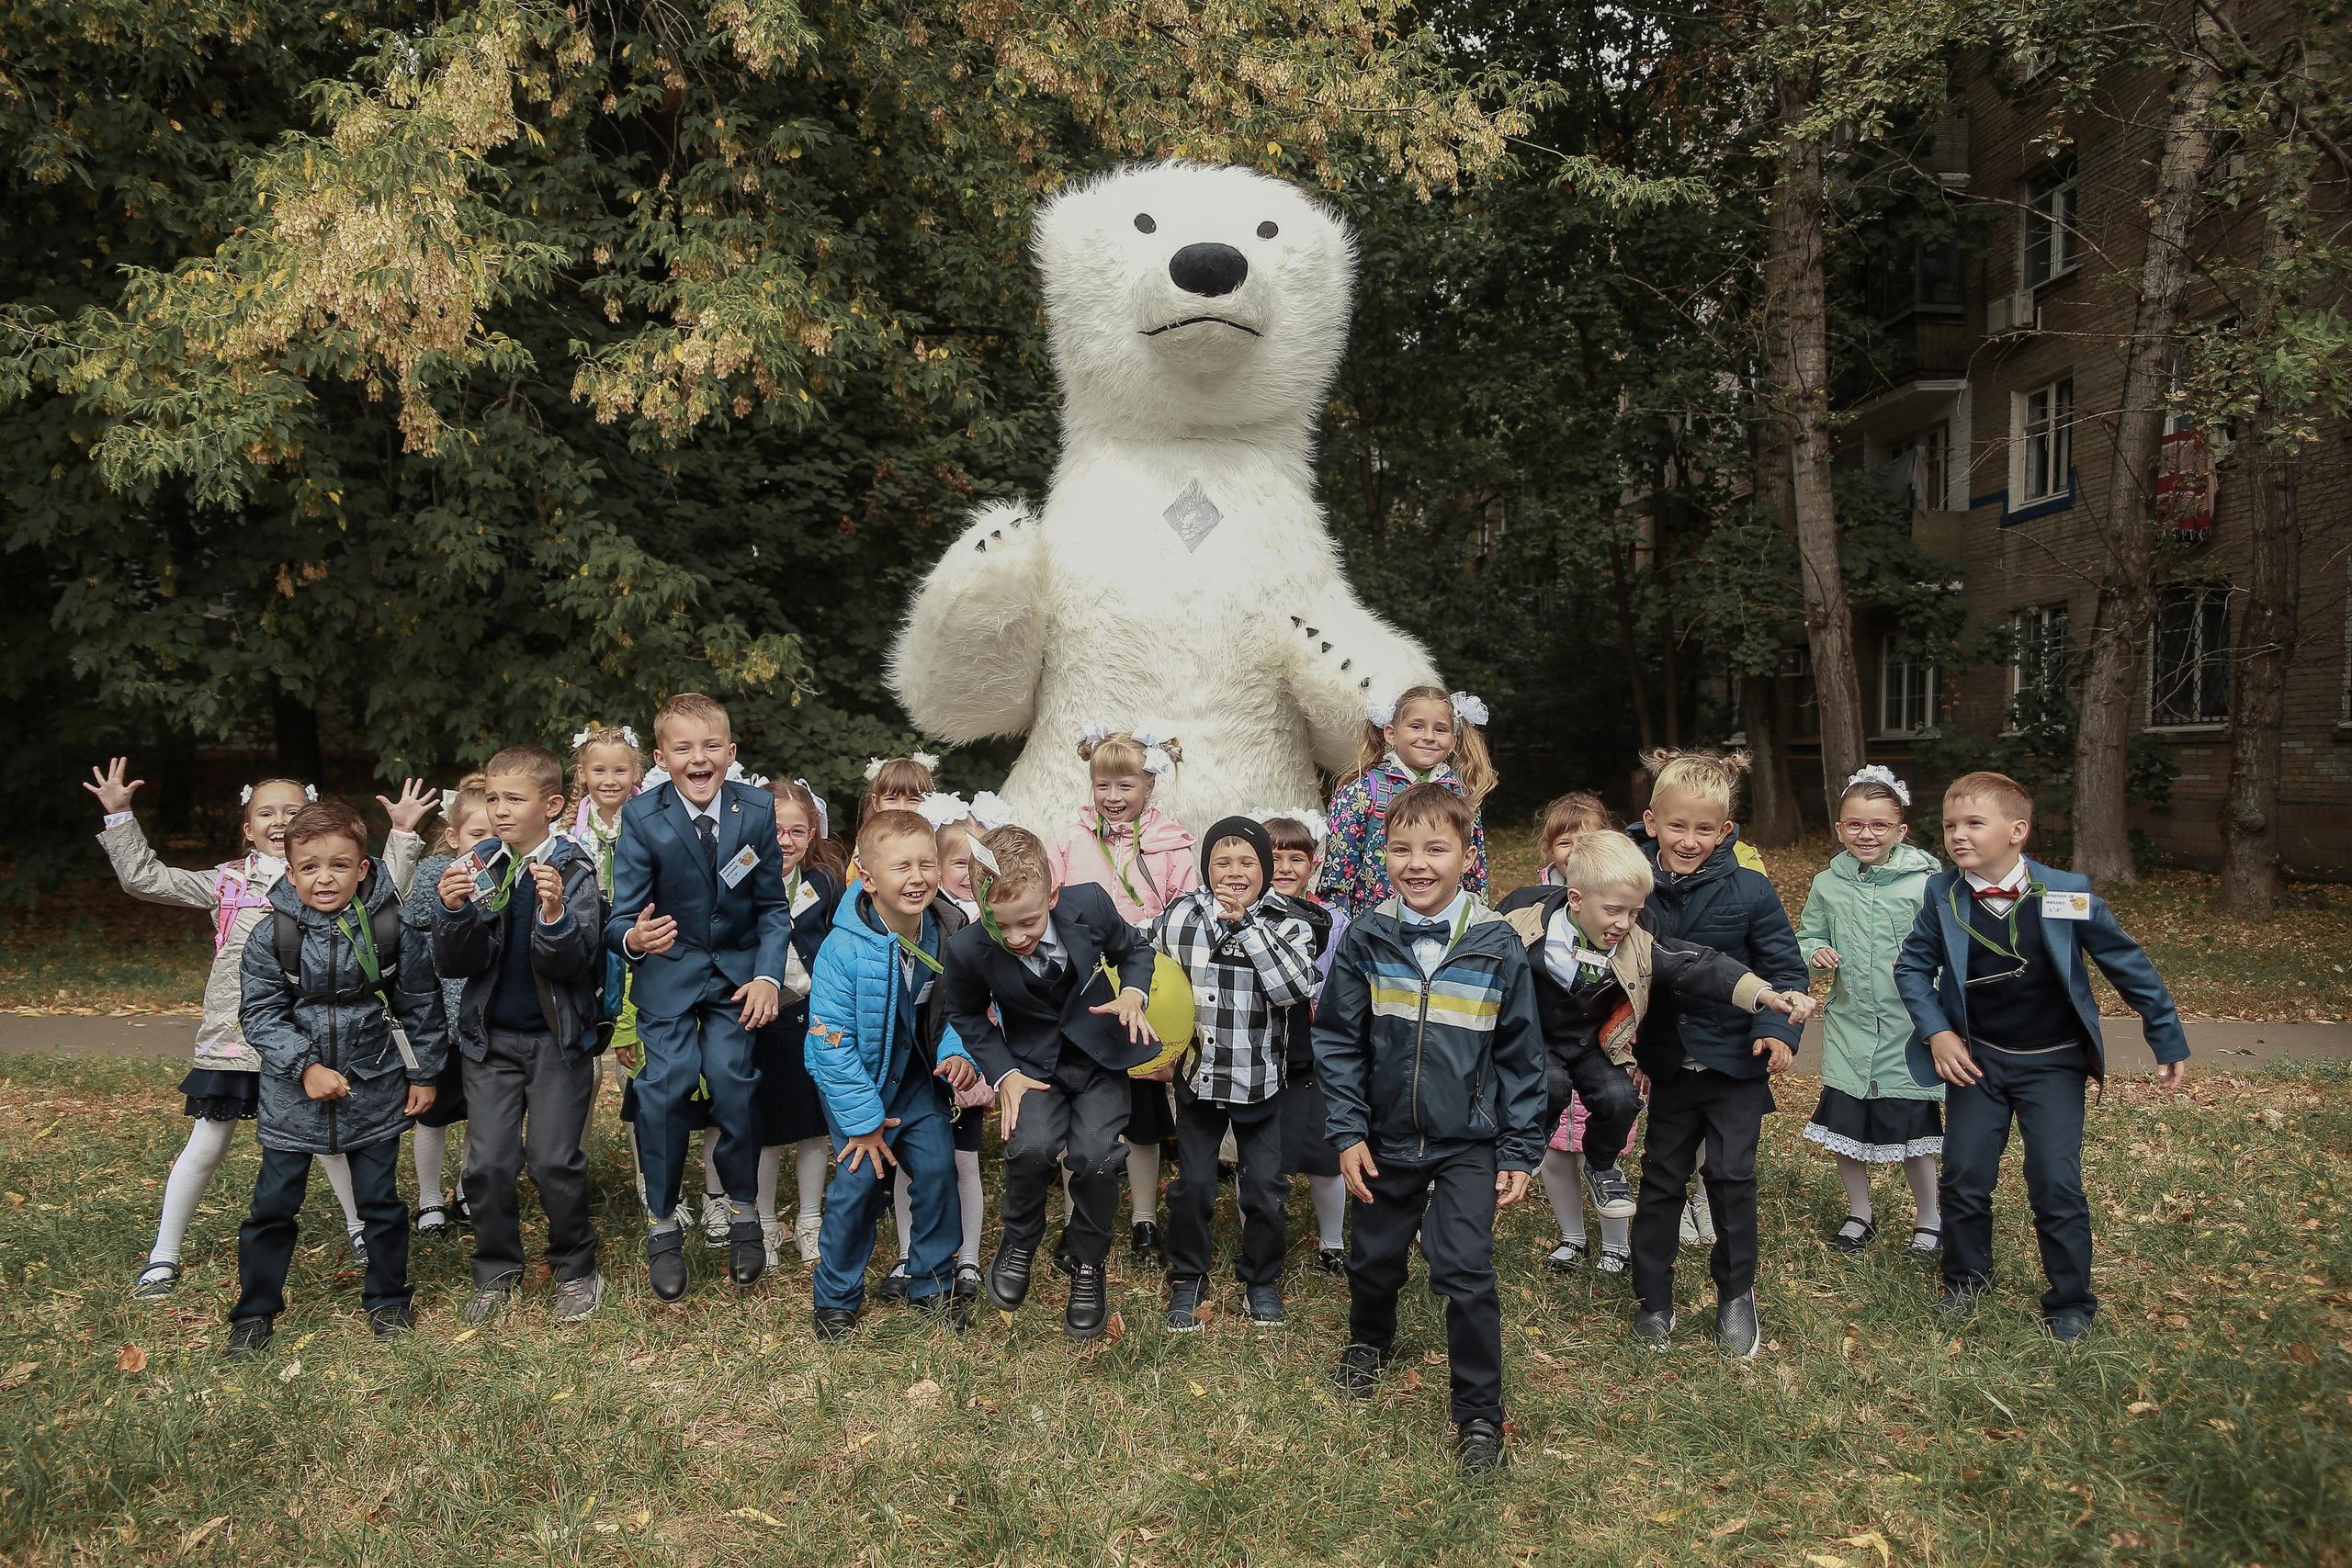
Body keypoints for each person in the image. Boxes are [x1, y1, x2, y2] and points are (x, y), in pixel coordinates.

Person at [90, 761, 413, 1298]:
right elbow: (145, 879)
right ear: (248, 827)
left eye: (292, 811)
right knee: (208, 1141)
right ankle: (164, 1254)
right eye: (266, 812)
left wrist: (402, 834)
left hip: (318, 1042)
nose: (279, 819)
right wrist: (120, 816)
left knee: (335, 1138)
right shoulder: (226, 880)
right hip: (238, 1040)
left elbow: (389, 892)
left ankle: (362, 1231)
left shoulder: (330, 871)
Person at [1895, 771, 2188, 1342]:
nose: (1958, 835)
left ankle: (2071, 1301)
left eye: (1974, 823)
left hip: (2052, 1062)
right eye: (1950, 824)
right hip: (1976, 1060)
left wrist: (2166, 1033)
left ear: (2018, 831)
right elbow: (1911, 968)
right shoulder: (1942, 894)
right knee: (1964, 1176)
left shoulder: (2063, 891)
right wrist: (1937, 1032)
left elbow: (2127, 964)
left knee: (2056, 1181)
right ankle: (1966, 1280)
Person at [1314, 784, 1544, 1475]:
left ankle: (1479, 1414)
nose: (1417, 863)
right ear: (1383, 854)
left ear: (1467, 854)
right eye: (1401, 848)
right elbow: (1338, 1042)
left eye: (1435, 848)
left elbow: (1522, 1054)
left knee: (1465, 1269)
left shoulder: (1497, 942)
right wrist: (1349, 1131)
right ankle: (1369, 1339)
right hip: (1384, 1139)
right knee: (1374, 1259)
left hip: (1466, 1140)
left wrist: (1520, 1147)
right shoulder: (1366, 934)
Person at [1498, 833, 1815, 1285]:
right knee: (1549, 1085)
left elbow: (1700, 965)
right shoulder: (1521, 919)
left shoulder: (1637, 940)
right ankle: (1519, 1153)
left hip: (1592, 1041)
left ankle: (1602, 1164)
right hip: (1535, 1040)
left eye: (1634, 912)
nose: (1625, 923)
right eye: (1614, 911)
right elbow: (1477, 946)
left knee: (1620, 1099)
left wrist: (1763, 995)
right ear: (1575, 898)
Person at [225, 798, 448, 1358]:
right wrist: (305, 1067)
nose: (325, 878)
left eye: (339, 865)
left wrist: (422, 1073)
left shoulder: (393, 928)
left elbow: (420, 1004)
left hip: (373, 1088)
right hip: (291, 1097)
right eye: (310, 867)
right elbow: (260, 1014)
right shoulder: (268, 935)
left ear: (363, 866)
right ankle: (254, 1312)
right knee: (273, 1207)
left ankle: (389, 1301)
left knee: (380, 1202)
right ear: (290, 869)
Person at [603, 693, 794, 1302]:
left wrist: (768, 975)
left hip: (736, 980)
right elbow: (619, 919)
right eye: (683, 748)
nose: (699, 757)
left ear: (731, 753)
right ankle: (663, 1225)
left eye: (711, 745)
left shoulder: (756, 811)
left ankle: (743, 1212)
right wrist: (634, 935)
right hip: (669, 976)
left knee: (734, 1081)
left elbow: (772, 908)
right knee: (664, 1088)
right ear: (662, 757)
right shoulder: (644, 818)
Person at [1623, 749, 1807, 1359]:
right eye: (1677, 826)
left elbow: (1783, 966)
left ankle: (1736, 1295)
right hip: (1667, 1062)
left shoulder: (1751, 889)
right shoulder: (1634, 883)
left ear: (1726, 831)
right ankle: (1653, 1300)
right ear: (1652, 822)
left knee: (1730, 1176)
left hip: (1735, 1061)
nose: (1689, 839)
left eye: (1705, 829)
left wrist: (1780, 1032)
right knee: (1660, 1179)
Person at [943, 824, 1159, 1339]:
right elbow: (966, 1014)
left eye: (1029, 922)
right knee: (1033, 1149)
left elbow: (1136, 950)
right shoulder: (968, 948)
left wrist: (1133, 993)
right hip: (1031, 1068)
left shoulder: (1091, 906)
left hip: (1099, 1060)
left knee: (1097, 1159)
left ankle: (1088, 1264)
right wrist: (1004, 1073)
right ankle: (1019, 1240)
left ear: (1053, 895)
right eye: (1002, 927)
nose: (1016, 938)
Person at [431, 745, 607, 1324]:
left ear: (552, 805)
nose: (499, 811)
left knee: (553, 1160)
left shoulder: (575, 870)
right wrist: (454, 914)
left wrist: (553, 916)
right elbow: (459, 962)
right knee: (486, 1165)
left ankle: (575, 1266)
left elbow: (574, 965)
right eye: (492, 799)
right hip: (490, 1042)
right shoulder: (482, 865)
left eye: (514, 799)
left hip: (558, 1045)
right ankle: (496, 1269)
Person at [804, 809, 981, 1337]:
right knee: (858, 1185)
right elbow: (830, 1043)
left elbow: (956, 1011)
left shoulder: (948, 930)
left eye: (927, 863)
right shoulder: (842, 947)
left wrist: (958, 1055)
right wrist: (862, 1121)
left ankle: (931, 1282)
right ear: (867, 876)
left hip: (916, 1082)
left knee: (935, 1173)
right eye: (900, 866)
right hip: (856, 1085)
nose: (917, 877)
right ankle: (836, 1296)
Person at [1150, 817, 1319, 1331]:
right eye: (1221, 862)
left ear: (1265, 869)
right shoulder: (1181, 916)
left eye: (1247, 862)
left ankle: (1261, 1279)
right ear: (1205, 869)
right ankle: (1188, 1276)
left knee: (1265, 1187)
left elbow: (1294, 987)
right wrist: (1158, 1048)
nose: (1234, 871)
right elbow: (1153, 973)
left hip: (1260, 1075)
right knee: (1194, 1185)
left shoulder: (1288, 922)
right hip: (1198, 1076)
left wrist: (1247, 925)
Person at [1044, 726, 1198, 1263]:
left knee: (1142, 1113)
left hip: (1146, 984)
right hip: (1084, 987)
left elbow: (1185, 913)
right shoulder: (1068, 839)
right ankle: (1075, 1221)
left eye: (1125, 785)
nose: (1113, 797)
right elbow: (1052, 902)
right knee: (1079, 1110)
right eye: (1103, 785)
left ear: (1149, 785)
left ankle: (1143, 1219)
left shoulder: (1172, 843)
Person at [1795, 765, 1945, 1259]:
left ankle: (1930, 1216)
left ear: (1901, 830)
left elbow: (1945, 950)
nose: (1866, 834)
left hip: (1908, 1028)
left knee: (1914, 1127)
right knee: (1845, 1125)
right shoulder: (1827, 884)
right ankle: (1860, 1211)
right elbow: (1806, 935)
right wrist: (1815, 951)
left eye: (1879, 824)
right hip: (1850, 1026)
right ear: (1839, 828)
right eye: (1855, 824)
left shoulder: (1928, 883)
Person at [751, 779, 843, 1269]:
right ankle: (764, 1225)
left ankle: (811, 1219)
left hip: (811, 1016)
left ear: (812, 833)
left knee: (812, 1126)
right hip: (761, 1017)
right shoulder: (738, 876)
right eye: (774, 829)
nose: (784, 841)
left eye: (796, 831)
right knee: (764, 1127)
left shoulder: (824, 881)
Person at [1261, 809, 1350, 1272]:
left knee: (1323, 1150)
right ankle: (1258, 1232)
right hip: (1258, 1048)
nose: (1285, 868)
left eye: (1297, 857)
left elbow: (1342, 981)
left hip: (1314, 1048)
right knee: (1262, 1151)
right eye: (1275, 857)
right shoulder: (1245, 918)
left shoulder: (1332, 920)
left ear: (1314, 863)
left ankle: (1332, 1240)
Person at [1317, 686, 1494, 917]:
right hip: (1375, 930)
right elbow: (1337, 875)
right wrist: (1339, 931)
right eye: (1417, 726)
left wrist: (1479, 921)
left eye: (1440, 729)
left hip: (1446, 924)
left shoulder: (1463, 795)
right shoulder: (1361, 792)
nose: (1429, 736)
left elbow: (1475, 869)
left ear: (1453, 741)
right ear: (1391, 733)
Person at [400, 781, 489, 1235]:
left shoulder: (506, 879)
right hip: (438, 1027)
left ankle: (467, 1189)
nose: (486, 843)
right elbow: (413, 951)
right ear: (454, 837)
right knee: (432, 1116)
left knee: (480, 1113)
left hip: (484, 1025)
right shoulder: (432, 877)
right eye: (476, 834)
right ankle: (429, 1198)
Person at [1532, 792, 1611, 886]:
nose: (1575, 851)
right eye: (1565, 843)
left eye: (1586, 841)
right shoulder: (1543, 897)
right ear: (1550, 850)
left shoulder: (1623, 890)